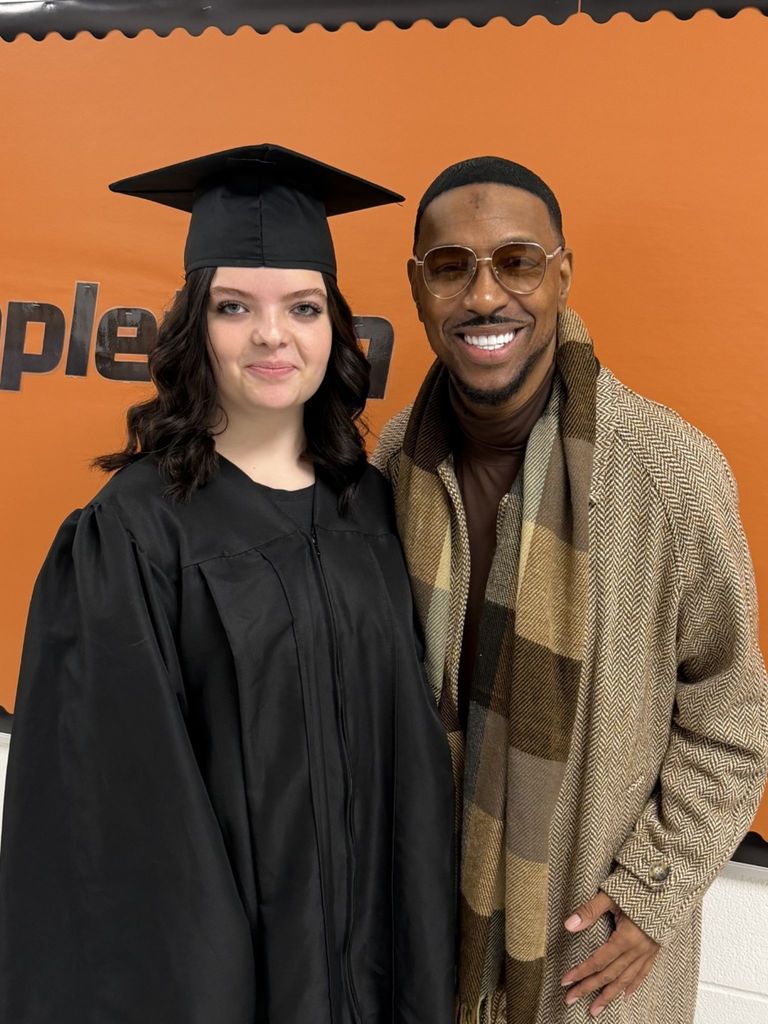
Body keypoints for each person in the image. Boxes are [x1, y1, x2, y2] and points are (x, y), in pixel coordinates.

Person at [0, 145, 455, 1024]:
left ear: (336, 328)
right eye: (235, 306)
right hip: (230, 987)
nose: (272, 335)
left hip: (384, 969)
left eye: (304, 306)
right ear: (192, 327)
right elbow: (124, 836)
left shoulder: (374, 504)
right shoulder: (132, 532)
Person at [372, 156, 768, 1024]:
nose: (483, 297)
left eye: (516, 261)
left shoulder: (671, 475)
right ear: (416, 288)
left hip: (584, 975)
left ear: (561, 273)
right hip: (418, 946)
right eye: (451, 268)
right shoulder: (392, 463)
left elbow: (732, 720)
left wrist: (652, 894)